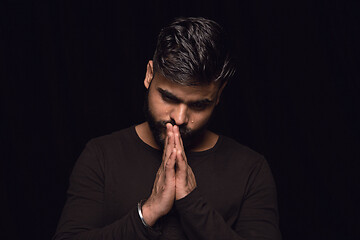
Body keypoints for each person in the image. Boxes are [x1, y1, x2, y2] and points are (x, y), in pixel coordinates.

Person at [53, 17, 281, 240]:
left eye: (199, 104)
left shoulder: (251, 169)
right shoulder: (101, 155)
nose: (180, 118)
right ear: (149, 75)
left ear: (219, 95)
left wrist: (192, 204)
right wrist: (148, 212)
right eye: (168, 97)